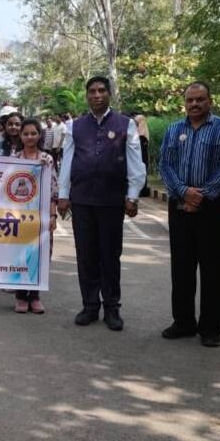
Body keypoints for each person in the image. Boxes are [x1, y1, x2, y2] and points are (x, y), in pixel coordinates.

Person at [58, 76, 146, 331]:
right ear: (87, 95)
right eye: (92, 91)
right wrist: (63, 194)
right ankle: (89, 306)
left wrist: (132, 196)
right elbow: (67, 161)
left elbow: (135, 162)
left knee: (110, 255)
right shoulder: (74, 126)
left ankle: (112, 308)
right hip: (82, 200)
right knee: (86, 255)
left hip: (112, 201)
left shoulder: (126, 124)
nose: (97, 95)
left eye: (101, 91)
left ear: (109, 94)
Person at [159, 82, 220, 347]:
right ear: (185, 103)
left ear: (210, 101)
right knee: (181, 266)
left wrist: (201, 195)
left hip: (211, 207)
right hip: (179, 206)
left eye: (200, 99)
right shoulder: (173, 130)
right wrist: (184, 192)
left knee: (212, 268)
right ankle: (183, 322)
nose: (194, 104)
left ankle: (211, 328)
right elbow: (165, 165)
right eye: (190, 100)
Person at [13, 118, 58, 314]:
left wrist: (53, 216)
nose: (30, 137)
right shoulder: (14, 158)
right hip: (19, 216)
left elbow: (53, 190)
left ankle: (35, 296)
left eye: (33, 133)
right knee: (20, 254)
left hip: (41, 216)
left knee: (40, 255)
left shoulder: (47, 160)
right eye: (26, 134)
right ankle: (21, 296)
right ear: (20, 136)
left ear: (39, 135)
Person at [135, 115, 151, 197]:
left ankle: (142, 190)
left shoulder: (142, 136)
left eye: (137, 123)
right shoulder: (140, 134)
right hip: (139, 157)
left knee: (142, 172)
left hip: (142, 157)